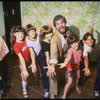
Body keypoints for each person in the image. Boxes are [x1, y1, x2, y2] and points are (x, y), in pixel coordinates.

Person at [46, 15, 75, 97]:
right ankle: (52, 93)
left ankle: (68, 81)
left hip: (67, 55)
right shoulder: (54, 37)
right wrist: (52, 65)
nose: (60, 25)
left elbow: (74, 42)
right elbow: (54, 51)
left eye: (62, 22)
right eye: (57, 24)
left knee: (70, 74)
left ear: (65, 23)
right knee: (52, 71)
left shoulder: (70, 31)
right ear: (55, 26)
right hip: (57, 56)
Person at [10, 25, 37, 98]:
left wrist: (33, 63)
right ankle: (24, 90)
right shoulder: (16, 46)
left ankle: (35, 80)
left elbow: (31, 52)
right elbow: (21, 58)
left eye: (22, 33)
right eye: (18, 33)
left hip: (29, 60)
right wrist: (24, 70)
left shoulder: (26, 40)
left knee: (34, 71)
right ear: (14, 34)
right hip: (22, 63)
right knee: (25, 76)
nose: (21, 35)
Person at [25, 25, 49, 99]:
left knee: (44, 70)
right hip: (34, 55)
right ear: (27, 33)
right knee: (34, 69)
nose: (32, 33)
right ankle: (36, 80)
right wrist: (33, 63)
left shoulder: (38, 36)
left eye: (33, 31)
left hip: (40, 54)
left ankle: (46, 90)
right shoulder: (27, 40)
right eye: (30, 32)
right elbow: (32, 53)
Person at [58, 34, 82, 98]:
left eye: (75, 43)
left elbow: (79, 58)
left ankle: (76, 86)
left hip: (77, 66)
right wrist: (65, 63)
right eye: (72, 44)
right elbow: (68, 57)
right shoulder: (70, 50)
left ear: (78, 41)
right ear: (70, 45)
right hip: (70, 67)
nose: (74, 45)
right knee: (70, 81)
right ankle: (64, 95)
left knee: (78, 77)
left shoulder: (80, 49)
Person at [40, 25, 57, 99]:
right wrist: (49, 66)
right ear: (44, 35)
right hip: (43, 58)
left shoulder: (52, 38)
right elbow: (47, 57)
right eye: (47, 34)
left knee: (50, 74)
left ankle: (51, 90)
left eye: (50, 33)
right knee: (46, 74)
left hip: (49, 57)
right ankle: (46, 90)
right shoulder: (45, 43)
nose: (49, 35)